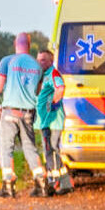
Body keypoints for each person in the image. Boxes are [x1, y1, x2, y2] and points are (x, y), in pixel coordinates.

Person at [0, 33, 47, 197]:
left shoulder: (7, 61)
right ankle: (41, 183)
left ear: (15, 44)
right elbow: (38, 91)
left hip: (9, 112)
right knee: (29, 148)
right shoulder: (37, 66)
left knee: (6, 148)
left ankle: (8, 186)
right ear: (29, 44)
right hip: (28, 113)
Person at [34, 46, 69, 195]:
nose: (40, 63)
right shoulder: (41, 76)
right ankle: (62, 181)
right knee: (48, 149)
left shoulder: (53, 73)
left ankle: (55, 182)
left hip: (53, 119)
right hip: (44, 121)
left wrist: (52, 103)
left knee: (53, 147)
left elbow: (60, 89)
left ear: (50, 61)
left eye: (43, 60)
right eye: (38, 60)